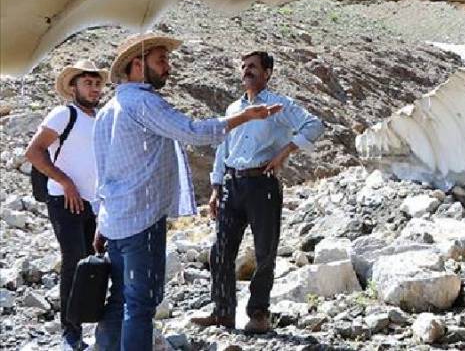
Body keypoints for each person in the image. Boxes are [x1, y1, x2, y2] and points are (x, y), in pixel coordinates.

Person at [92, 32, 281, 351]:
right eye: (161, 61)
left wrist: (101, 219)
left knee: (120, 300)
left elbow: (103, 172)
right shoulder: (144, 103)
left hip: (116, 220)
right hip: (141, 220)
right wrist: (244, 117)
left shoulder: (110, 107)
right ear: (137, 65)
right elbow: (192, 131)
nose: (168, 67)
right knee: (140, 305)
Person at [192, 51, 324, 333]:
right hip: (233, 184)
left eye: (252, 66)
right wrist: (216, 188)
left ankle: (259, 313)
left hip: (262, 185)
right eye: (243, 66)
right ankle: (223, 312)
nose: (246, 71)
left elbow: (314, 125)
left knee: (265, 251)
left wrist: (286, 152)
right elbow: (223, 149)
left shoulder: (280, 104)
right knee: (220, 251)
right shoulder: (233, 110)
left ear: (267, 72)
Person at [24, 59, 108, 350]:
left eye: (97, 83)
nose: (94, 88)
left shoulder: (100, 118)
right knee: (74, 258)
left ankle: (87, 322)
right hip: (63, 198)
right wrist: (66, 182)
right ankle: (70, 331)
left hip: (92, 202)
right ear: (74, 86)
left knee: (91, 261)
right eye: (88, 83)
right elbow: (33, 152)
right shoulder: (64, 113)